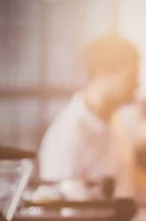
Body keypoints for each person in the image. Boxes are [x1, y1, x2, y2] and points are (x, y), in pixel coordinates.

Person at [38, 33, 140, 199]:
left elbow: (129, 175)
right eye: (131, 77)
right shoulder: (67, 135)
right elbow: (61, 214)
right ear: (102, 73)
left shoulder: (114, 125)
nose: (137, 85)